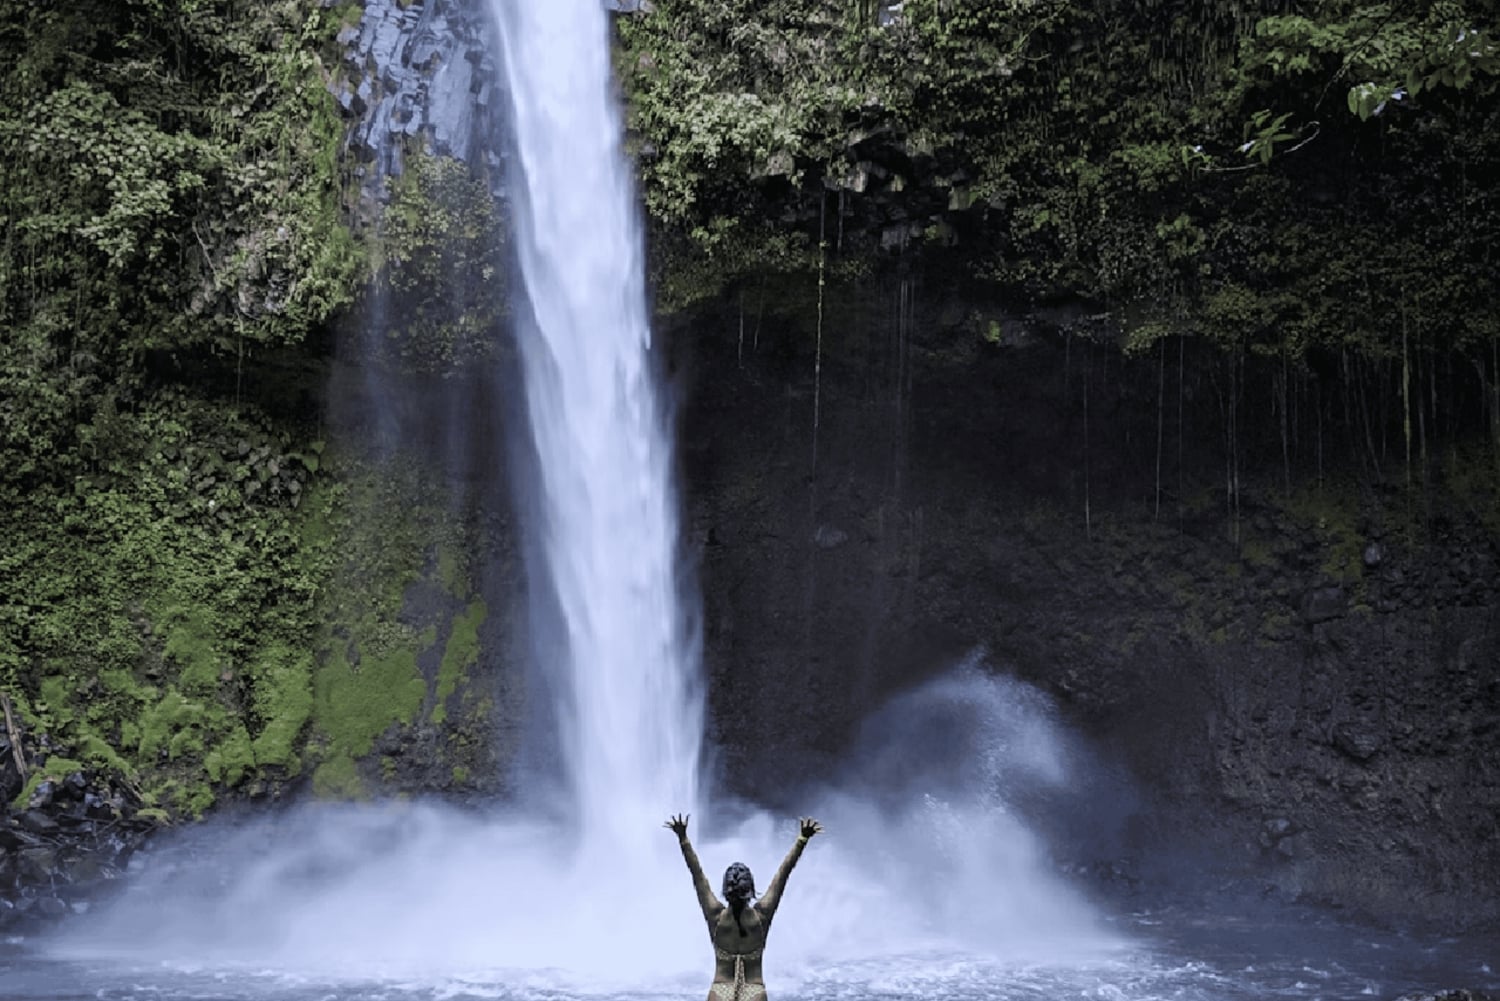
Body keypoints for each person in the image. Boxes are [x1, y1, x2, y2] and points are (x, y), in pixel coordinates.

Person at [664, 812, 822, 1001]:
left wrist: (683, 838)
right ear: (750, 889)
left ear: (726, 889)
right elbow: (783, 873)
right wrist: (802, 839)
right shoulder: (762, 915)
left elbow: (697, 874)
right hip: (754, 991)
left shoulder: (715, 914)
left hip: (720, 990)